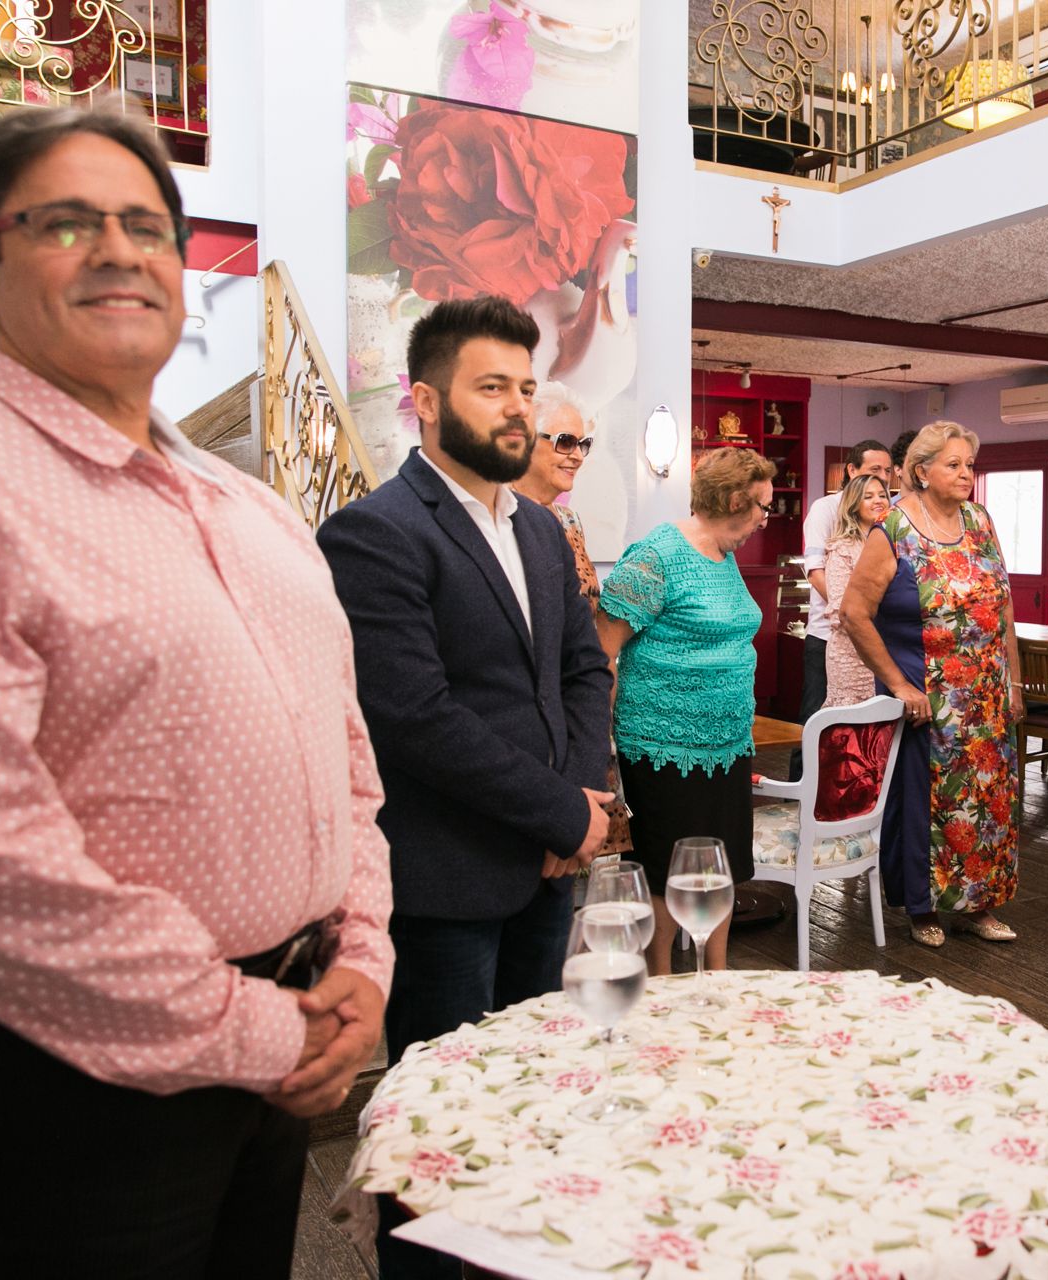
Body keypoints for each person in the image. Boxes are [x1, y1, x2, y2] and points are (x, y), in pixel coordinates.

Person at [0, 106, 393, 1279]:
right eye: (66, 222)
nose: (119, 250)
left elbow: (348, 763)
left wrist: (361, 958)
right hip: (54, 1089)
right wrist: (261, 1024)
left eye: (148, 226)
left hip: (277, 1053)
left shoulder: (252, 508)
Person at [316, 297, 614, 1279]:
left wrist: (572, 808)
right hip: (446, 880)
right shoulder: (376, 532)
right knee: (437, 1134)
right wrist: (559, 808)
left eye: (526, 387)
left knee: (528, 1107)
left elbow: (580, 672)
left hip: (544, 869)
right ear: (426, 402)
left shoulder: (535, 530)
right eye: (494, 387)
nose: (518, 409)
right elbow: (414, 716)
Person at [841, 421, 1023, 948]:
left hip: (985, 695)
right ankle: (922, 908)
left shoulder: (981, 521)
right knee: (927, 803)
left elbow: (1003, 603)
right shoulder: (892, 529)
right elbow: (854, 613)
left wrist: (1013, 682)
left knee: (987, 803)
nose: (966, 474)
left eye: (969, 464)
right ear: (921, 471)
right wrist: (896, 683)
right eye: (953, 464)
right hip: (927, 697)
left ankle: (979, 905)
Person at [597, 448, 774, 976]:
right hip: (661, 745)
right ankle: (661, 982)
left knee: (720, 868)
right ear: (736, 499)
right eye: (762, 505)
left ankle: (715, 976)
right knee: (665, 870)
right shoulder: (657, 556)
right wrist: (596, 745)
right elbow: (602, 648)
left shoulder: (726, 554)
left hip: (726, 742)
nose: (766, 517)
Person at [512, 390, 632, 858]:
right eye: (564, 441)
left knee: (594, 872)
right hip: (535, 724)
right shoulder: (500, 522)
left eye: (584, 444)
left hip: (585, 718)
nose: (577, 455)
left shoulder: (568, 520)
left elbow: (592, 631)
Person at [794, 438, 893, 776]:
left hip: (876, 642)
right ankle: (802, 798)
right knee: (817, 719)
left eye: (886, 473)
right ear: (852, 471)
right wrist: (854, 611)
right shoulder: (826, 510)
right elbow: (816, 569)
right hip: (830, 635)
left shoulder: (890, 527)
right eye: (873, 471)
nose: (882, 481)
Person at [821, 473, 894, 707]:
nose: (878, 501)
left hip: (890, 654)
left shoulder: (897, 544)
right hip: (851, 657)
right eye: (868, 496)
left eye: (883, 495)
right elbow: (840, 611)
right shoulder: (842, 548)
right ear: (853, 505)